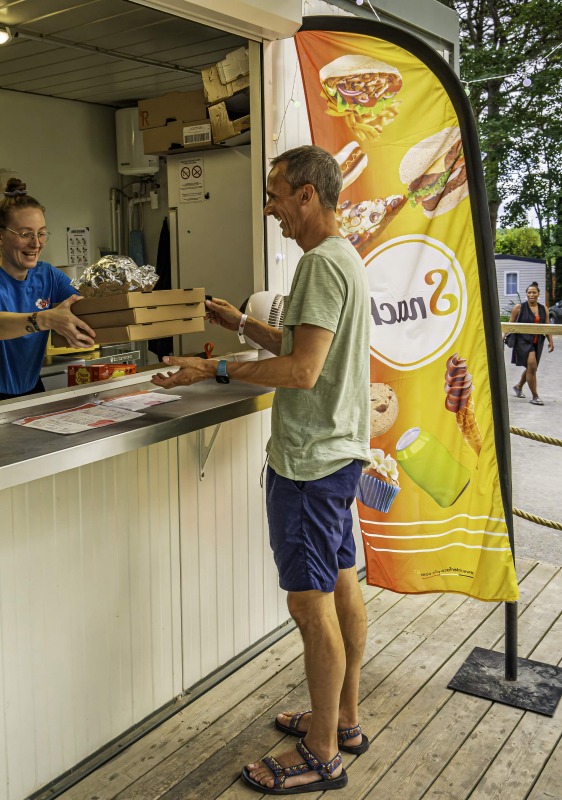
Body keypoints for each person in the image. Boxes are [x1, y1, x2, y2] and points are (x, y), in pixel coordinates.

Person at [151, 145, 370, 794]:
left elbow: (301, 373)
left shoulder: (321, 267)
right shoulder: (341, 259)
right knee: (340, 587)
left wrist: (211, 366)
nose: (270, 207)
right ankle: (344, 719)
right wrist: (241, 323)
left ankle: (322, 753)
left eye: (276, 194)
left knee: (310, 606)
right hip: (337, 455)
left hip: (308, 465)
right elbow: (306, 347)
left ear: (307, 195)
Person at [0, 179, 95, 403]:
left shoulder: (49, 276)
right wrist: (44, 319)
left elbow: (87, 308)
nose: (36, 244)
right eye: (25, 234)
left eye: (41, 233)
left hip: (32, 389)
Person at [508, 282, 553, 406]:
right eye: (529, 292)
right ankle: (535, 396)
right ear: (526, 294)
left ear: (538, 294)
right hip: (523, 341)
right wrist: (502, 336)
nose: (531, 294)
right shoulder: (519, 307)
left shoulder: (543, 308)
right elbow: (510, 323)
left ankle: (518, 386)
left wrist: (550, 341)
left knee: (530, 368)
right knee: (532, 367)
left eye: (534, 292)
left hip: (537, 341)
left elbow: (547, 326)